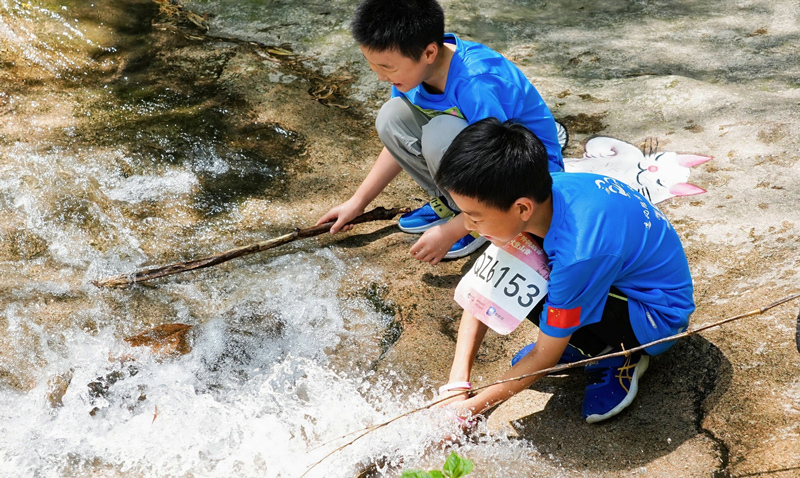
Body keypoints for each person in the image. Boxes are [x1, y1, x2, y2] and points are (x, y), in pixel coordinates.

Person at [434, 118, 694, 423]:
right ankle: (580, 339)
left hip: (655, 318)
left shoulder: (577, 256)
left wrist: (466, 410)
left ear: (521, 209)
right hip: (613, 276)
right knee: (521, 267)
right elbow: (485, 290)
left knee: (545, 290)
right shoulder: (542, 193)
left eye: (475, 217)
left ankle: (618, 353)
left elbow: (545, 356)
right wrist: (457, 383)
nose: (467, 226)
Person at [316, 0, 565, 264]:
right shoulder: (411, 74)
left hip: (524, 178)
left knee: (440, 131)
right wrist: (358, 203)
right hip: (479, 167)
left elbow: (499, 164)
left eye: (387, 68)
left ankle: (478, 220)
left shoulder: (476, 83)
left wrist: (451, 231)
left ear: (429, 53)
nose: (380, 77)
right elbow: (399, 139)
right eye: (373, 66)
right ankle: (454, 205)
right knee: (391, 116)